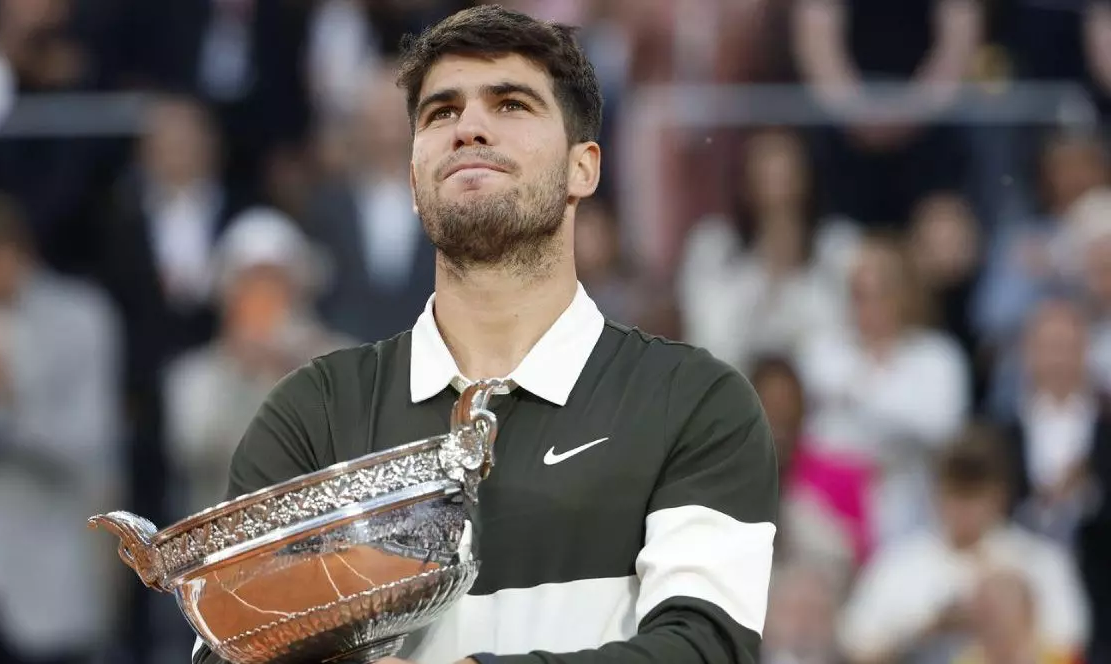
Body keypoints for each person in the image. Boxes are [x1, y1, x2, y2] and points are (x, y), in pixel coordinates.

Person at [192, 5, 779, 664]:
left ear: (584, 168)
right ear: (413, 177)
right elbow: (231, 652)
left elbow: (706, 648)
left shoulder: (693, 403)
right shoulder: (313, 416)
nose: (469, 127)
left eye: (511, 105)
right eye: (441, 112)